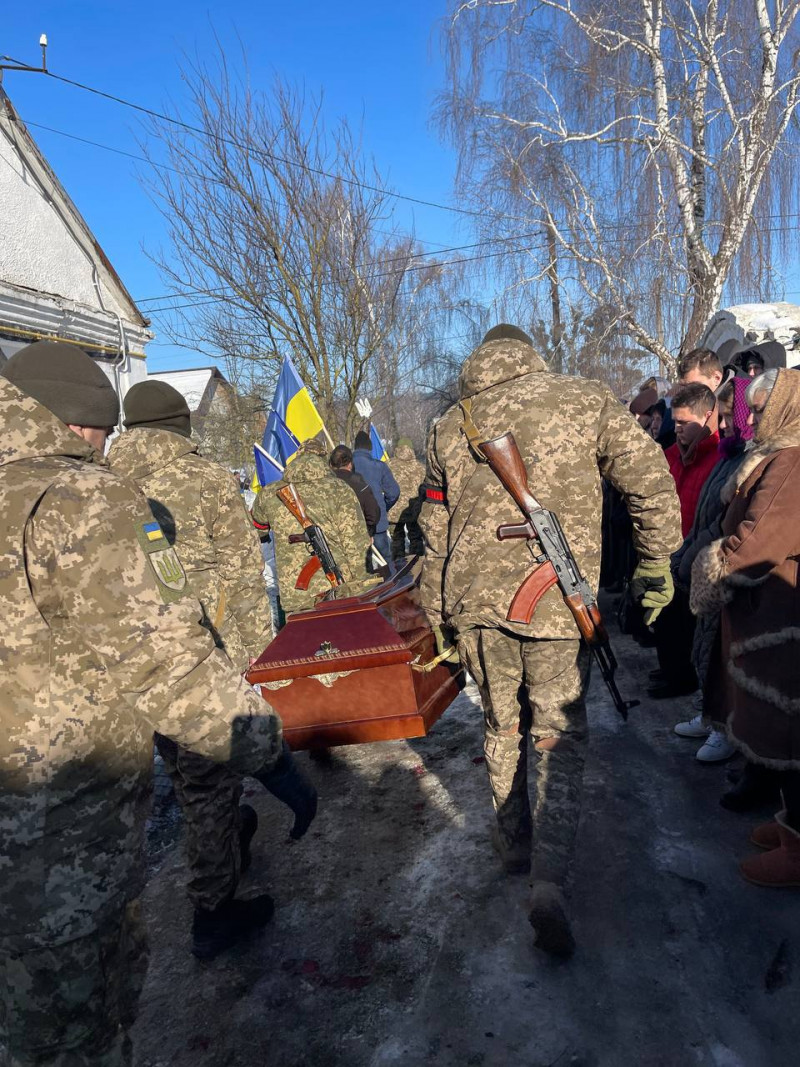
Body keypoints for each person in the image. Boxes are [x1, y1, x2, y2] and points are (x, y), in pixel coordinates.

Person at [0, 342, 283, 1066]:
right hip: (57, 835)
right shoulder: (84, 497)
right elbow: (182, 648)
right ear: (79, 425)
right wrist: (263, 729)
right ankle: (214, 899)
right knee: (78, 1032)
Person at [419, 324, 681, 956]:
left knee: (501, 726)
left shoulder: (449, 425)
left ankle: (514, 844)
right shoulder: (584, 397)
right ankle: (549, 879)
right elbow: (648, 475)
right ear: (530, 354)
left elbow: (433, 528)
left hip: (476, 606)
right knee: (557, 735)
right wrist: (656, 559)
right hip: (559, 609)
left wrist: (438, 613)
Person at [107, 381, 316, 960]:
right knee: (209, 781)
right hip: (202, 654)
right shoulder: (204, 479)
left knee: (184, 771)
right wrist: (258, 669)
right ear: (181, 425)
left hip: (131, 662)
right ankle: (213, 909)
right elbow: (246, 578)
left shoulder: (103, 481)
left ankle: (226, 839)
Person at [690, 368, 800, 887]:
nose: (750, 421)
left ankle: (797, 849)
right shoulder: (778, 456)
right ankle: (789, 824)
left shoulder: (792, 460)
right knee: (774, 726)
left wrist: (714, 568)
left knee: (787, 731)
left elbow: (762, 538)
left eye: (758, 411)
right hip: (768, 612)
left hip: (780, 615)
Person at [670, 379, 751, 762]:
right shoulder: (729, 456)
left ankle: (726, 728)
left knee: (724, 657)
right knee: (704, 648)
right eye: (722, 416)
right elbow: (705, 510)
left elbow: (724, 521)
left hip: (725, 569)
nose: (723, 425)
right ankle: (710, 714)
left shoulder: (750, 460)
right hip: (704, 564)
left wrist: (693, 554)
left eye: (730, 416)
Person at [648, 382, 720, 700]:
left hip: (695, 552)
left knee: (687, 622)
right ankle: (671, 669)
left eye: (683, 422)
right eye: (674, 421)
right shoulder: (672, 456)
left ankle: (683, 677)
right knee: (666, 618)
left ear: (706, 417)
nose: (676, 428)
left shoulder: (716, 458)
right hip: (669, 548)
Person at [251, 437, 372, 615]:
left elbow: (257, 527)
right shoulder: (339, 489)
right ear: (324, 460)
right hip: (338, 594)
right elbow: (357, 545)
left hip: (295, 596)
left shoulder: (269, 493)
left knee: (302, 633)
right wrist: (362, 589)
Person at [352, 429, 400, 572]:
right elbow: (393, 492)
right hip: (377, 522)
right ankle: (389, 582)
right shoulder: (379, 466)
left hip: (354, 521)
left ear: (355, 446)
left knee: (361, 564)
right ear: (370, 447)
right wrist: (383, 507)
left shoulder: (346, 468)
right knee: (385, 561)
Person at [328, 443, 382, 544]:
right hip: (357, 542)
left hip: (330, 541)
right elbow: (373, 515)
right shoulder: (359, 484)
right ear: (350, 464)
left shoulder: (322, 485)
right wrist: (368, 532)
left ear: (331, 464)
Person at [387, 438, 425, 561]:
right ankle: (417, 563)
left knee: (397, 539)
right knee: (416, 538)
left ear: (397, 448)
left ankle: (398, 564)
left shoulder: (388, 465)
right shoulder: (420, 467)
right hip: (414, 509)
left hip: (394, 509)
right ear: (411, 449)